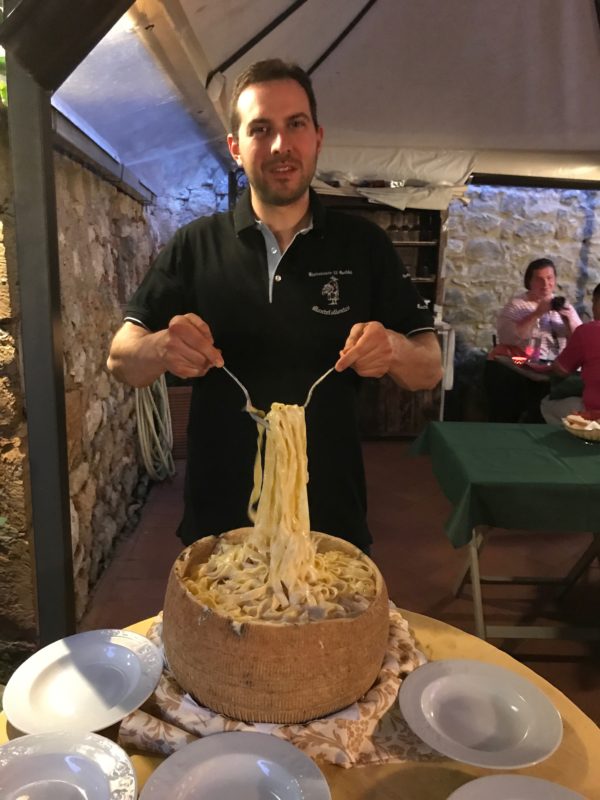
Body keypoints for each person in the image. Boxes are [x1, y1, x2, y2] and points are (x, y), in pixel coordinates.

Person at [107, 59, 442, 553]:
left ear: (317, 138)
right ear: (236, 148)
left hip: (329, 519)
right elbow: (121, 359)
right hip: (219, 518)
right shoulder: (196, 245)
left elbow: (429, 366)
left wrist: (392, 350)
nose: (281, 145)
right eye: (261, 129)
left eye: (296, 125)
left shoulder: (363, 245)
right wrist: (159, 348)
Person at [485, 257, 582, 422]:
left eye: (549, 278)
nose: (545, 284)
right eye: (539, 279)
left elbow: (581, 341)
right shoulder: (516, 306)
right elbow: (511, 337)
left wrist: (568, 322)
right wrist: (537, 313)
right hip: (525, 368)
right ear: (529, 282)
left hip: (558, 369)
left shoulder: (565, 306)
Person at [541, 282, 600, 423]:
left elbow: (561, 370)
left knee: (546, 404)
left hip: (595, 413)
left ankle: (576, 439)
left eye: (594, 302)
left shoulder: (588, 330)